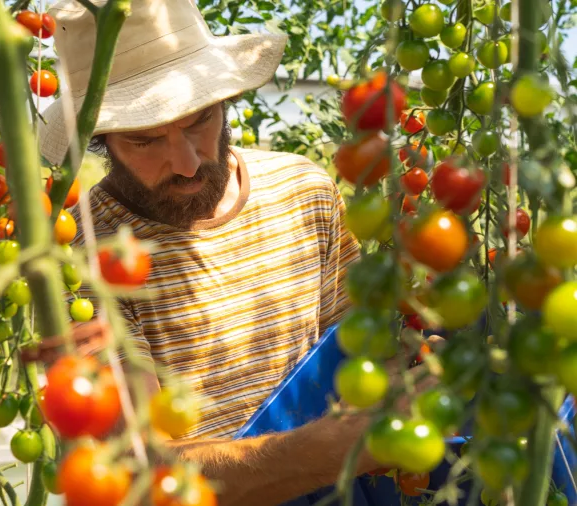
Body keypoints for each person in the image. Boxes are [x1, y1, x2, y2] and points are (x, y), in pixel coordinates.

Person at [37, 1, 435, 504]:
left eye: (201, 121)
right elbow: (142, 468)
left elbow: (353, 353)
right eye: (144, 140)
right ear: (101, 140)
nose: (185, 163)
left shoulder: (304, 190)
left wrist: (415, 365)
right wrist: (329, 451)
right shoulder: (85, 258)